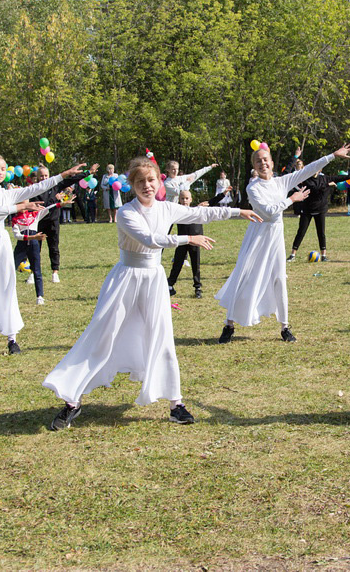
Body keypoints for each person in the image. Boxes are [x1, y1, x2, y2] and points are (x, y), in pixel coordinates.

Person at [43, 156, 260, 430]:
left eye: (151, 180)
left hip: (154, 280)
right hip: (126, 279)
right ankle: (72, 400)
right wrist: (187, 238)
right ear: (132, 185)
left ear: (159, 182)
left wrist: (237, 212)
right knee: (102, 335)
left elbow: (201, 213)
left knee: (162, 336)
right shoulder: (126, 213)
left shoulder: (166, 208)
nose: (147, 185)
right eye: (141, 181)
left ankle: (175, 403)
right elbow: (149, 239)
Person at [0, 155, 87, 358]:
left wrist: (62, 175)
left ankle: (12, 339)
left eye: (2, 169)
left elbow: (35, 189)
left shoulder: (7, 193)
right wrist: (20, 207)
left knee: (5, 285)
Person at [217, 143, 350, 344]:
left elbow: (309, 169)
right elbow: (268, 211)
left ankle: (285, 327)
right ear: (254, 166)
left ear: (272, 163)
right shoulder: (252, 187)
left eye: (266, 160)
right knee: (244, 277)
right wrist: (292, 199)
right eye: (258, 161)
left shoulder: (281, 181)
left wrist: (332, 156)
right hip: (257, 238)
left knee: (280, 279)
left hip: (275, 239)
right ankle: (229, 325)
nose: (263, 163)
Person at [30, 165, 98, 283]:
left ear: (49, 176)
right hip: (38, 222)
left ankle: (55, 272)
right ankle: (33, 273)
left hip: (53, 221)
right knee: (35, 248)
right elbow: (36, 205)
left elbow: (72, 180)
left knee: (54, 247)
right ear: (37, 177)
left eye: (46, 175)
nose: (44, 178)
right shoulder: (34, 189)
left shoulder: (56, 186)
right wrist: (54, 200)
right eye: (41, 176)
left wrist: (88, 172)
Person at [168, 189, 232, 298]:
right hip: (182, 242)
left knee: (195, 264)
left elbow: (212, 202)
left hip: (196, 242)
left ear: (191, 199)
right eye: (182, 198)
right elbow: (168, 225)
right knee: (177, 263)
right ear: (179, 199)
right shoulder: (176, 213)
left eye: (187, 198)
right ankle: (170, 286)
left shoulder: (198, 210)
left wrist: (223, 194)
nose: (184, 200)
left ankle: (197, 287)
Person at [286, 159, 347, 263]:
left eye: (318, 169)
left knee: (321, 233)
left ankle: (324, 255)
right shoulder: (307, 179)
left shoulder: (324, 178)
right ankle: (292, 255)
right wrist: (328, 185)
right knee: (301, 232)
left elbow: (338, 177)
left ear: (320, 170)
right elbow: (314, 188)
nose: (315, 170)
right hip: (307, 209)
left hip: (320, 210)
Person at [11, 203, 57, 305]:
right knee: (10, 269)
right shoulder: (15, 219)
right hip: (21, 246)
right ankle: (8, 295)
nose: (23, 207)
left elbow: (48, 209)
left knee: (37, 270)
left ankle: (40, 296)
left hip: (34, 245)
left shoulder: (33, 215)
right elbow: (17, 236)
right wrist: (32, 237)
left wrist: (60, 203)